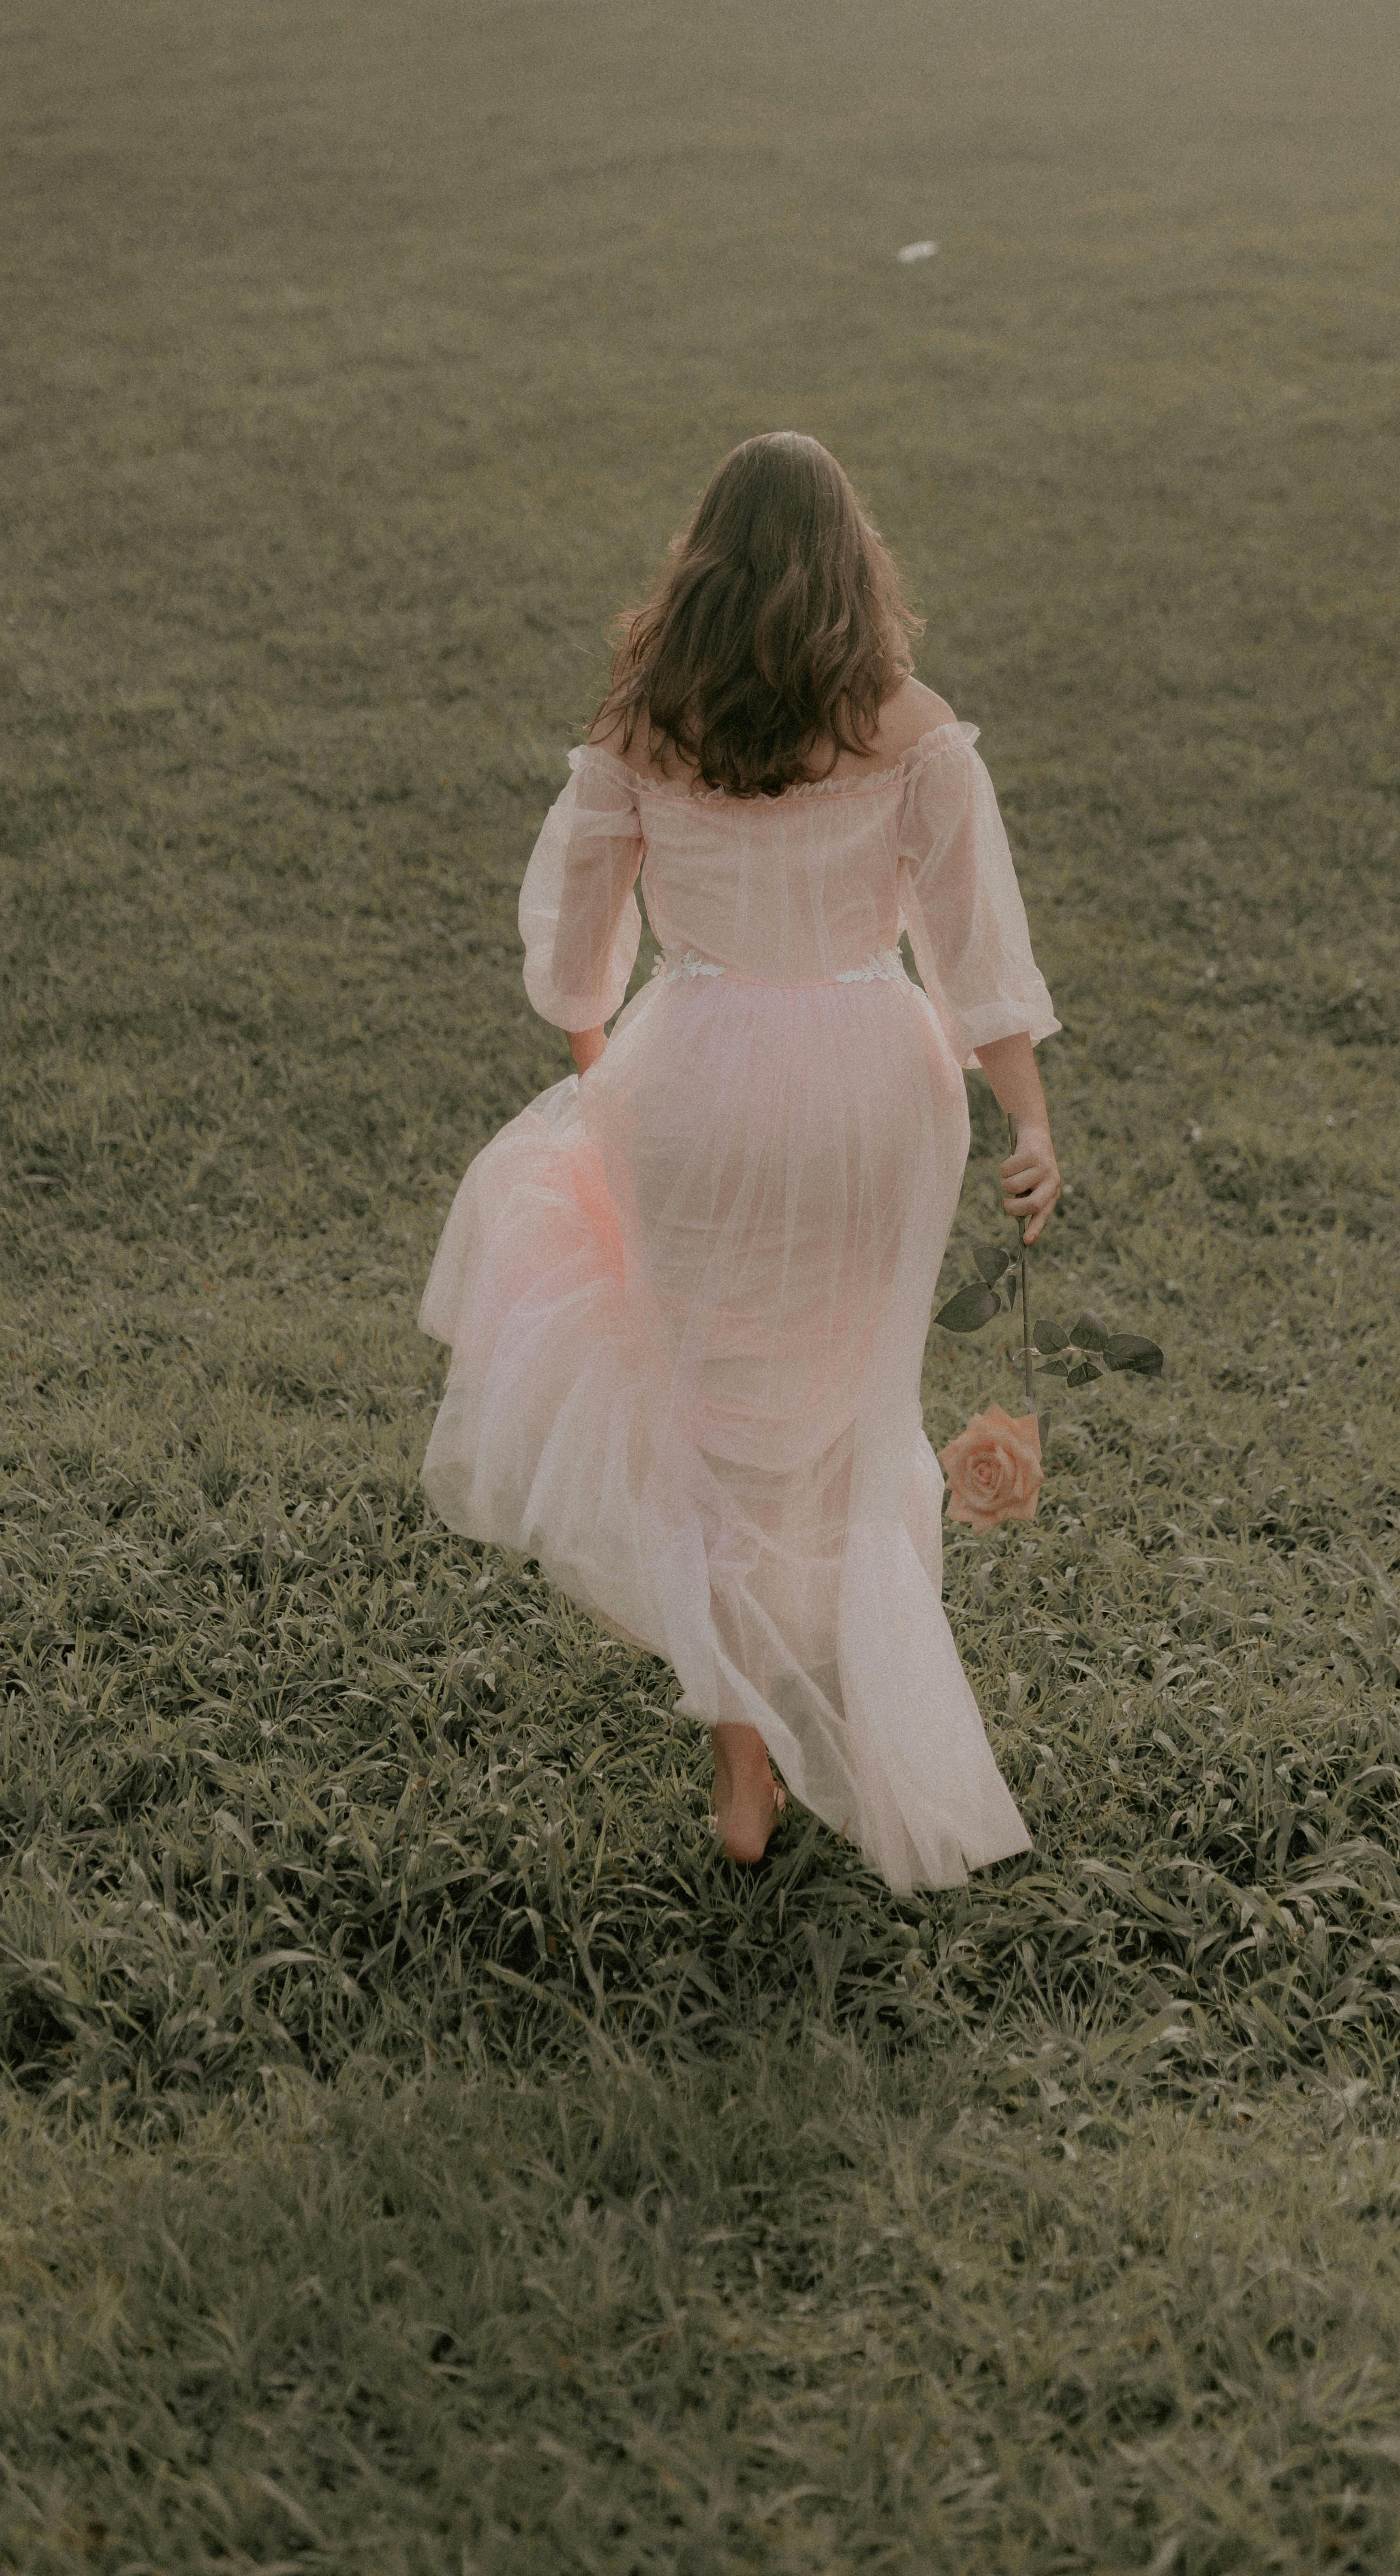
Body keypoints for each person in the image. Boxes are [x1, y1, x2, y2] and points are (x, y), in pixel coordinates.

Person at [418, 433, 1062, 1893]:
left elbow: (580, 967)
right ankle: (846, 1690)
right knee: (847, 1414)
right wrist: (1029, 1123)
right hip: (875, 1096)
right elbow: (978, 963)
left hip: (692, 1081)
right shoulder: (914, 728)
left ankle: (742, 1777)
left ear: (700, 569)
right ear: (855, 569)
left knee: (710, 1417)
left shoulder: (644, 734)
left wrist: (609, 1084)